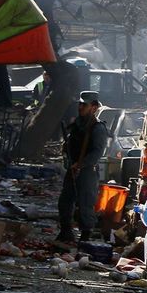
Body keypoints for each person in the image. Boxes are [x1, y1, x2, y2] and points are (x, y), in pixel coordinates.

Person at [57, 91, 109, 242]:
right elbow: (70, 146)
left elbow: (97, 152)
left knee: (86, 204)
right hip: (72, 170)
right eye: (80, 104)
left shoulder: (98, 128)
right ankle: (66, 232)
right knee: (65, 202)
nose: (80, 107)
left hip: (87, 171)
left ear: (93, 107)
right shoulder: (77, 124)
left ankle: (85, 237)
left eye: (84, 105)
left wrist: (80, 164)